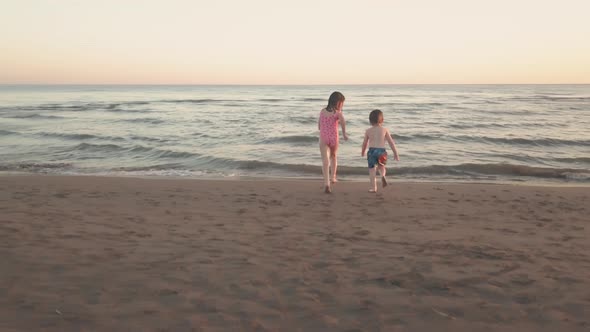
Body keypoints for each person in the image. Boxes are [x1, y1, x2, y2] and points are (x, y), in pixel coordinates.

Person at [361, 109, 399, 193]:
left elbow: (364, 143)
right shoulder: (385, 130)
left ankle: (373, 188)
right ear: (382, 120)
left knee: (372, 170)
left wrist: (363, 151)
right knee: (382, 167)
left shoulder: (368, 131)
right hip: (381, 152)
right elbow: (391, 142)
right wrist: (395, 153)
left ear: (370, 121)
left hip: (371, 152)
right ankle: (382, 176)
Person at [318, 91, 348, 193]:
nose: (342, 106)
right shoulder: (337, 113)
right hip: (334, 138)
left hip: (323, 138)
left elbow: (319, 126)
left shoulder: (322, 111)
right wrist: (344, 134)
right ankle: (333, 177)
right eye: (342, 104)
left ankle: (327, 183)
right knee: (333, 156)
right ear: (338, 103)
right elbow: (343, 122)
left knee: (325, 161)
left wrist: (323, 129)